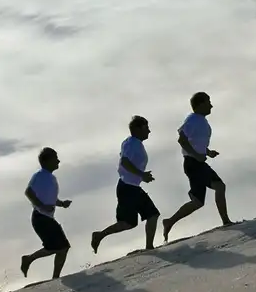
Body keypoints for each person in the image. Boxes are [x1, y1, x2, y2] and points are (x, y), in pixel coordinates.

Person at [162, 91, 234, 242]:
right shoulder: (193, 119)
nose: (211, 106)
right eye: (208, 102)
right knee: (219, 186)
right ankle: (226, 221)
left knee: (197, 202)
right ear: (200, 104)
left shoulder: (201, 121)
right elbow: (182, 140)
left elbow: (195, 142)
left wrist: (207, 152)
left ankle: (169, 221)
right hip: (193, 163)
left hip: (196, 162)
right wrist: (196, 155)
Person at [91, 116, 159, 253]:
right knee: (145, 216)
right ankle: (149, 247)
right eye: (146, 128)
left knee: (137, 220)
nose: (149, 131)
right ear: (137, 129)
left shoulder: (132, 143)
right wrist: (141, 175)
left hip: (130, 186)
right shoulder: (132, 143)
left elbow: (126, 162)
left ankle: (100, 235)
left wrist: (141, 176)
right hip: (127, 188)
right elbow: (124, 162)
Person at [20, 147, 73, 279]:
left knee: (59, 247)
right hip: (40, 217)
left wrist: (61, 203)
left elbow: (49, 198)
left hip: (45, 217)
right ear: (47, 161)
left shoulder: (50, 178)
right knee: (61, 247)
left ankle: (31, 260)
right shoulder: (40, 175)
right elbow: (28, 192)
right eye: (55, 158)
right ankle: (53, 276)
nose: (58, 161)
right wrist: (42, 206)